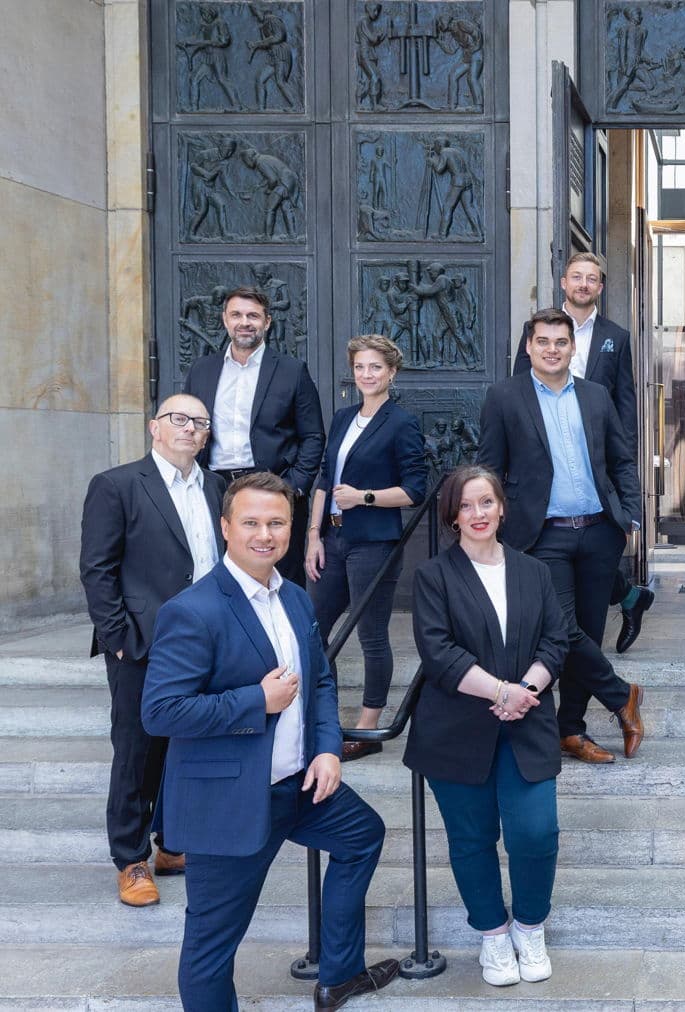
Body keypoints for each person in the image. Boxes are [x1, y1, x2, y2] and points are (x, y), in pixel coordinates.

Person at [141, 473, 398, 1011]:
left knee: (364, 836)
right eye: (252, 522)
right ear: (225, 527)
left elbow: (321, 681)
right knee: (213, 947)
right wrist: (255, 701)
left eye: (277, 522)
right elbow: (160, 711)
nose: (265, 534)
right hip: (229, 802)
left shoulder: (298, 601)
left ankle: (338, 975)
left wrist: (328, 747)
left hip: (299, 786)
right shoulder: (193, 609)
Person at [407, 466, 569, 987]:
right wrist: (503, 693)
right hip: (456, 729)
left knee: (536, 833)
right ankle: (493, 936)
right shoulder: (434, 576)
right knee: (471, 838)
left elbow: (557, 640)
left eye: (486, 503)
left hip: (528, 723)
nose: (477, 514)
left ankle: (529, 926)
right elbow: (439, 654)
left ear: (502, 507)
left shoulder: (533, 571)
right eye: (465, 505)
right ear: (451, 515)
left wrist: (527, 691)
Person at [477, 308, 647, 765]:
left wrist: (630, 515)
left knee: (588, 632)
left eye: (561, 342)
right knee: (563, 631)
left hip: (598, 531)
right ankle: (621, 696)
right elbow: (490, 467)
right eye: (543, 341)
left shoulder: (595, 396)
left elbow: (621, 459)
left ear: (573, 349)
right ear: (528, 347)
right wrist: (486, 524)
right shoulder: (504, 397)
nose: (552, 350)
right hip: (540, 535)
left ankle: (570, 730)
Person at [79, 395, 226, 907]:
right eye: (178, 419)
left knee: (187, 749)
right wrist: (118, 640)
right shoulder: (117, 485)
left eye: (199, 422)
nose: (189, 428)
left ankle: (171, 845)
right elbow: (97, 569)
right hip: (143, 643)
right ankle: (132, 858)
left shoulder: (216, 488)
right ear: (154, 428)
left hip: (206, 640)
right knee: (137, 752)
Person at [513, 253, 655, 654]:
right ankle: (629, 598)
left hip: (595, 465)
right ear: (563, 282)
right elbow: (517, 394)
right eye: (576, 277)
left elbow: (624, 406)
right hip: (544, 464)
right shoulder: (538, 330)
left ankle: (619, 608)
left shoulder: (616, 336)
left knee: (591, 547)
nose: (583, 284)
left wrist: (621, 475)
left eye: (591, 279)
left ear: (600, 287)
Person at [306, 336, 428, 760]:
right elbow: (324, 479)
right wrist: (312, 536)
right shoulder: (342, 418)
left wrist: (365, 497)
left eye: (375, 367)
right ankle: (325, 718)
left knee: (371, 635)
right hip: (333, 539)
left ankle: (367, 728)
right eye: (360, 367)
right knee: (313, 631)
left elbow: (415, 489)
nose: (367, 375)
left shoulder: (401, 423)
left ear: (391, 372)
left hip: (373, 543)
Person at [184, 285, 325, 585]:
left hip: (274, 486)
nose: (244, 322)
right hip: (215, 488)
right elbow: (190, 427)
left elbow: (313, 435)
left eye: (253, 316)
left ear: (267, 322)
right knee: (218, 574)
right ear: (225, 319)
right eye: (236, 314)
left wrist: (295, 487)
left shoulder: (291, 370)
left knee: (279, 578)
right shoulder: (201, 370)